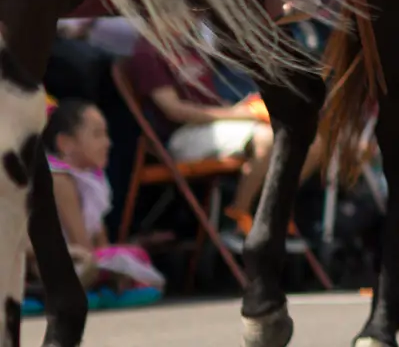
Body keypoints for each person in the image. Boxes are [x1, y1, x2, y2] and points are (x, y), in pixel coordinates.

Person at [121, 31, 276, 221]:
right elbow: (174, 111)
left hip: (213, 123)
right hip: (181, 135)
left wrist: (246, 109)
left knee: (308, 141)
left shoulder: (190, 44)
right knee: (268, 138)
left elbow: (213, 102)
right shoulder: (149, 51)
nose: (198, 12)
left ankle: (268, 212)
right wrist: (236, 115)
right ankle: (237, 218)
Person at [43, 98, 166, 304]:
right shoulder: (59, 180)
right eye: (97, 135)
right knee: (99, 263)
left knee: (133, 256)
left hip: (81, 257)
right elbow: (81, 244)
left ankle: (106, 287)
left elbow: (100, 241)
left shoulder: (91, 178)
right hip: (53, 260)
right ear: (66, 143)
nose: (108, 143)